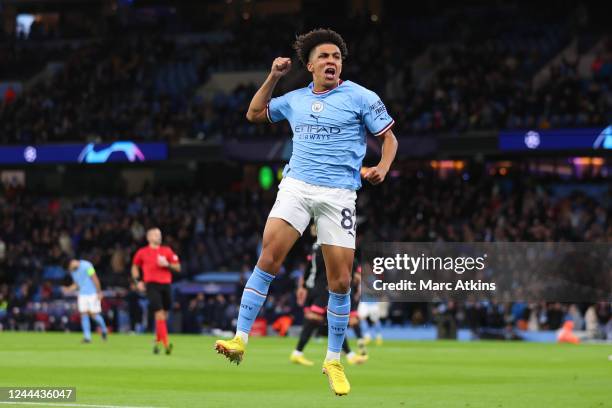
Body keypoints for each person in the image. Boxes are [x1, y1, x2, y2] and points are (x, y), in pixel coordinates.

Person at [214, 28, 397, 396]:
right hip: (297, 186)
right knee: (268, 257)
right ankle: (239, 338)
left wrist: (383, 167)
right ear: (310, 64)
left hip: (339, 194)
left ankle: (332, 360)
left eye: (337, 57)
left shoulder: (362, 97)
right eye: (325, 56)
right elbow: (253, 113)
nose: (332, 61)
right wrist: (273, 77)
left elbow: (389, 139)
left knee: (341, 282)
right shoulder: (294, 98)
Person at [291, 226, 368, 366]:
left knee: (329, 320)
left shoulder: (315, 246)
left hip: (314, 287)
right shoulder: (325, 247)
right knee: (323, 318)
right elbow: (327, 268)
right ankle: (298, 352)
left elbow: (308, 269)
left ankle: (348, 354)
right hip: (322, 287)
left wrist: (302, 287)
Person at [131, 227, 181, 355]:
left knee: (164, 315)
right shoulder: (142, 252)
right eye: (155, 234)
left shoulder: (167, 250)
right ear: (148, 237)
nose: (158, 236)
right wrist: (138, 282)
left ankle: (157, 341)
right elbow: (135, 267)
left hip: (166, 285)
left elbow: (178, 267)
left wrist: (167, 265)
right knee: (159, 314)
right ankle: (166, 344)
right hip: (151, 285)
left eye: (159, 234)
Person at [63, 257, 108, 343]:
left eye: (69, 268)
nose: (70, 270)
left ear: (71, 263)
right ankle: (87, 337)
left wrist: (99, 292)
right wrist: (68, 289)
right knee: (84, 314)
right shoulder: (73, 271)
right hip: (82, 295)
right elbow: (77, 284)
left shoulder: (87, 265)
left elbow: (94, 278)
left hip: (92, 293)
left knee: (94, 315)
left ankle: (104, 330)